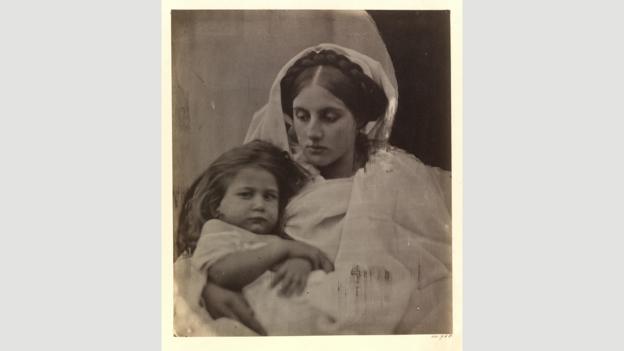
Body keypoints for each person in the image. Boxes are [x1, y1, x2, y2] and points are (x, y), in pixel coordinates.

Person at [175, 43, 452, 335]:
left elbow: (430, 265)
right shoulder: (271, 171)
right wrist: (208, 289)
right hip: (269, 307)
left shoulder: (394, 175)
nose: (312, 133)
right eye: (302, 116)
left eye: (329, 117)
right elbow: (214, 238)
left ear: (358, 119)